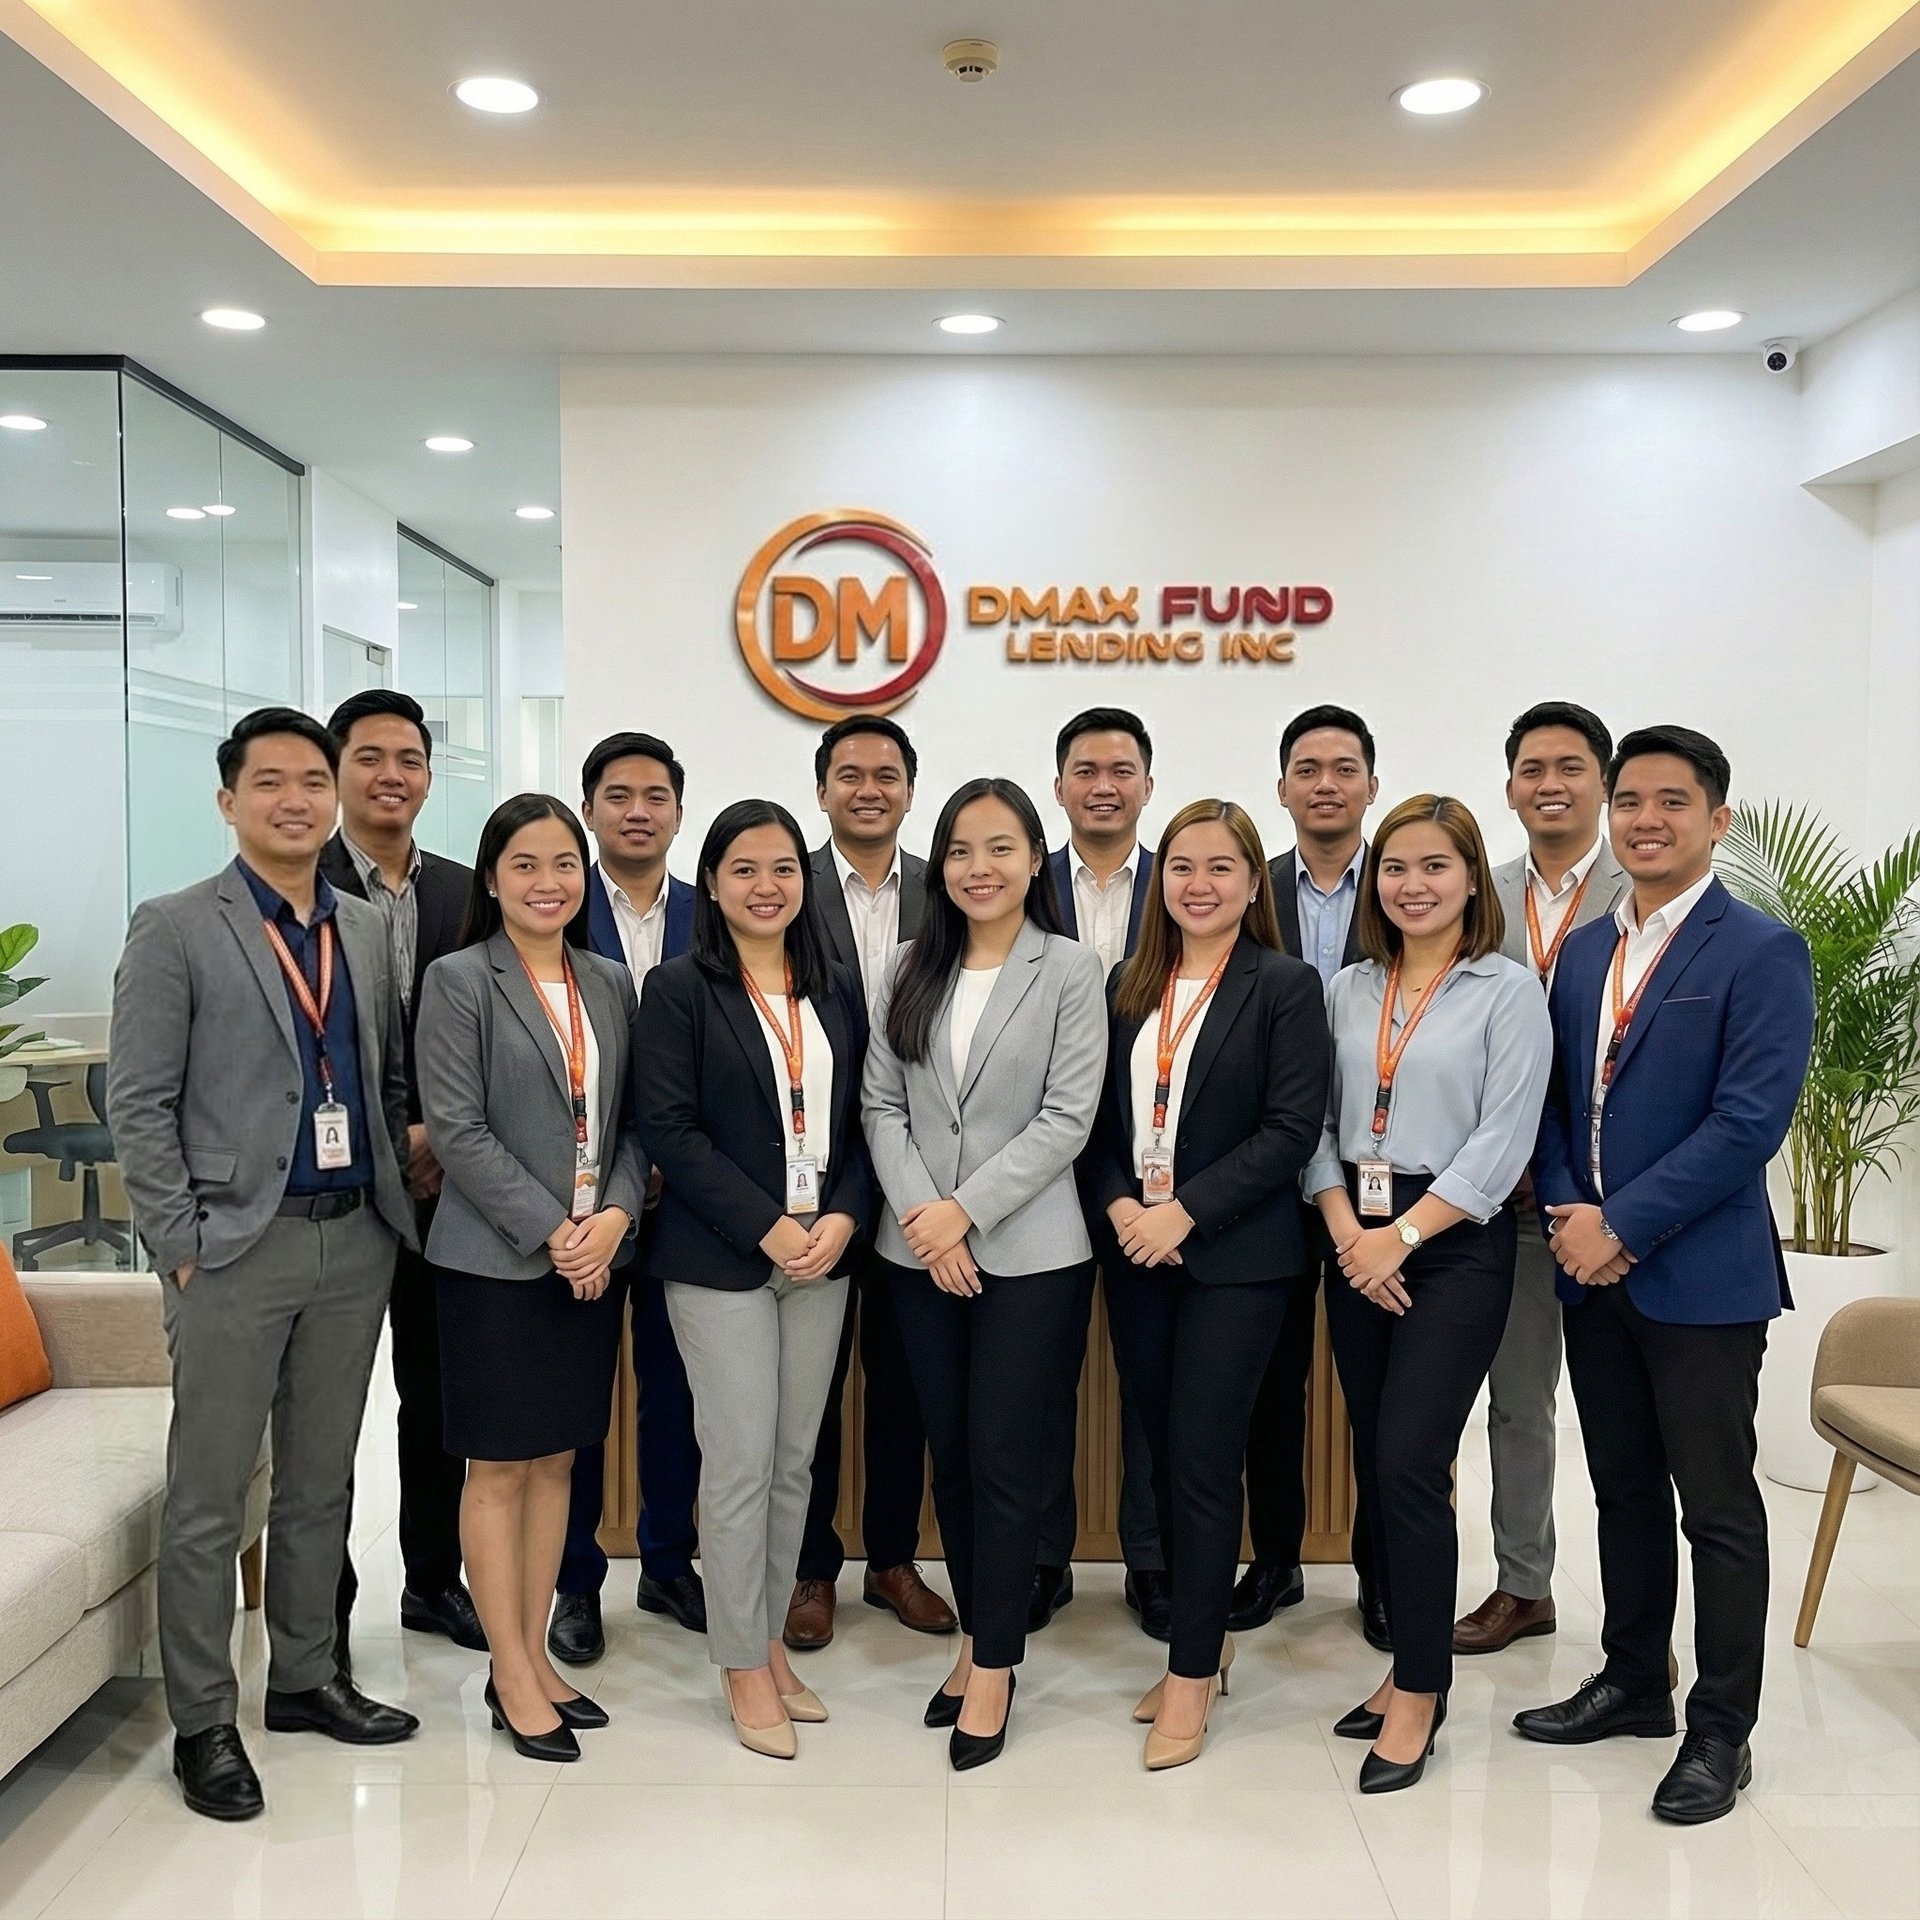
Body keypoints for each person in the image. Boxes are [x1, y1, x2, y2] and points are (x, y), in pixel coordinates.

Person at [108, 706, 420, 1823]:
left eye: (313, 782)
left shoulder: (368, 929)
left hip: (354, 1234)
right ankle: (203, 1722)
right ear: (229, 798)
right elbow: (135, 1100)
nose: (297, 800)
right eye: (272, 782)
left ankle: (305, 1676)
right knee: (209, 1493)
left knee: (323, 1478)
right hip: (234, 1248)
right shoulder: (177, 925)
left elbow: (377, 1077)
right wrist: (180, 1244)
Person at [1515, 726, 1813, 1827]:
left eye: (1672, 801)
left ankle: (1721, 1733)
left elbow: (1749, 1123)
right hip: (1589, 1269)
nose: (1646, 818)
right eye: (1630, 798)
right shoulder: (1588, 949)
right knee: (1622, 1489)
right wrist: (1568, 1214)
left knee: (1718, 1509)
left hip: (1699, 1280)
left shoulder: (1759, 950)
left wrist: (1624, 1226)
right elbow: (1554, 1104)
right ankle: (1637, 1680)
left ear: (1717, 819)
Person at [1304, 794, 1551, 1794]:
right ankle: (1411, 1666)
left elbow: (1505, 1139)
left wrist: (1401, 1237)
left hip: (1452, 1244)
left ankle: (1419, 1689)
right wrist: (1347, 1234)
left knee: (1411, 1460)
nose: (1413, 884)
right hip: (1352, 1233)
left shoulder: (1507, 990)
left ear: (1469, 879)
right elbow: (1312, 1118)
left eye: (1436, 867)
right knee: (1380, 1456)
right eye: (1397, 866)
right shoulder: (1347, 989)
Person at [864, 777, 1107, 1772]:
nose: (979, 868)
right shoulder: (904, 967)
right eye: (961, 850)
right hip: (917, 1254)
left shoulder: (1072, 970)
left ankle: (997, 1666)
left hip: (1032, 1254)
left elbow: (1068, 1117)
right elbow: (880, 1105)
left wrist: (964, 1211)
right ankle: (972, 1641)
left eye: (1000, 849)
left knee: (1008, 1460)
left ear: (1032, 860)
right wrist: (930, 1221)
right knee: (952, 1459)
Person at [1082, 800, 1329, 1770]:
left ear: (1249, 881)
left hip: (1237, 1261)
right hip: (1136, 1256)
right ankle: (1202, 1644)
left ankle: (1191, 1676)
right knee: (1161, 1446)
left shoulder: (1285, 986)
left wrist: (1184, 1214)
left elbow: (1289, 1129)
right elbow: (1096, 1123)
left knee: (1200, 1456)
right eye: (1181, 866)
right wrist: (1122, 1213)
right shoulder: (1128, 984)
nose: (1198, 883)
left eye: (1222, 867)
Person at [633, 800, 871, 1760]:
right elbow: (670, 1130)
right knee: (735, 1464)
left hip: (824, 1255)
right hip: (723, 1260)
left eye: (783, 869)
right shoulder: (679, 988)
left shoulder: (837, 987)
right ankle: (737, 1661)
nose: (767, 886)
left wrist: (844, 1215)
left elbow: (863, 1116)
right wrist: (768, 1226)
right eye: (743, 870)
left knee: (791, 1463)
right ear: (715, 883)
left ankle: (770, 1640)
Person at [416, 793, 646, 1762]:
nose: (548, 882)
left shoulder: (608, 980)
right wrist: (556, 1229)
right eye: (525, 865)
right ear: (492, 878)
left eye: (564, 864)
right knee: (498, 1468)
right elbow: (457, 1131)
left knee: (559, 1460)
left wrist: (615, 1220)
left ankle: (540, 1657)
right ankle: (510, 1670)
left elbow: (635, 1122)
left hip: (592, 1259)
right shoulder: (459, 980)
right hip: (497, 1264)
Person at [1453, 701, 1627, 1658]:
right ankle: (1526, 1585)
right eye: (1531, 768)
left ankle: (1639, 1625)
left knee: (1624, 1422)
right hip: (1498, 1194)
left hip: (1611, 1203)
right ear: (1510, 784)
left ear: (1601, 781)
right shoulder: (1478, 890)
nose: (1549, 784)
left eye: (1569, 767)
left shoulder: (1640, 889)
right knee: (1519, 1400)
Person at [323, 689, 485, 1666]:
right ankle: (321, 1608)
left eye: (409, 759)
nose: (392, 776)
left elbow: (488, 1031)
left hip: (441, 1192)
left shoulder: (465, 891)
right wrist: (402, 1131)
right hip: (339, 1195)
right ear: (339, 769)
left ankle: (432, 1581)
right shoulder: (295, 884)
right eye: (371, 757)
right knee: (326, 1411)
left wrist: (441, 1137)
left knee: (435, 1399)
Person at [787, 716, 955, 1650]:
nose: (867, 789)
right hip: (804, 1182)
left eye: (886, 775)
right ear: (822, 790)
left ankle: (892, 1557)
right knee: (808, 1389)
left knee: (903, 1384)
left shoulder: (951, 888)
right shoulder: (783, 883)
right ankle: (812, 1567)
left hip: (922, 1180)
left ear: (909, 788)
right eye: (848, 775)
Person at [551, 732, 705, 1665]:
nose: (637, 810)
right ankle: (575, 1581)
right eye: (618, 795)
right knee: (579, 1397)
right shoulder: (556, 909)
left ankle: (666, 1559)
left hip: (688, 1197)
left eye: (655, 795)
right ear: (590, 807)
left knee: (675, 1390)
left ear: (679, 811)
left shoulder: (712, 909)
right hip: (579, 1200)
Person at [1234, 704, 1385, 1645]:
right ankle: (1278, 1559)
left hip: (1378, 1185)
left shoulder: (1409, 880)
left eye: (1343, 767)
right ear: (1281, 785)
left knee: (1377, 1393)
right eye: (1306, 768)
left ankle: (1380, 1570)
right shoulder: (1251, 888)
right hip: (1267, 1181)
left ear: (1371, 781)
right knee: (1268, 1384)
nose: (1324, 783)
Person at [1037, 707, 1166, 1637]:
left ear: (1147, 786)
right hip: (1034, 1171)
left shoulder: (1187, 883)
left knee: (1154, 1379)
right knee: (1036, 1378)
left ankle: (1153, 1561)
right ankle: (1041, 1558)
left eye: (1122, 769)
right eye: (1086, 770)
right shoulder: (1018, 881)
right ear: (1060, 787)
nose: (1104, 785)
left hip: (1147, 1175)